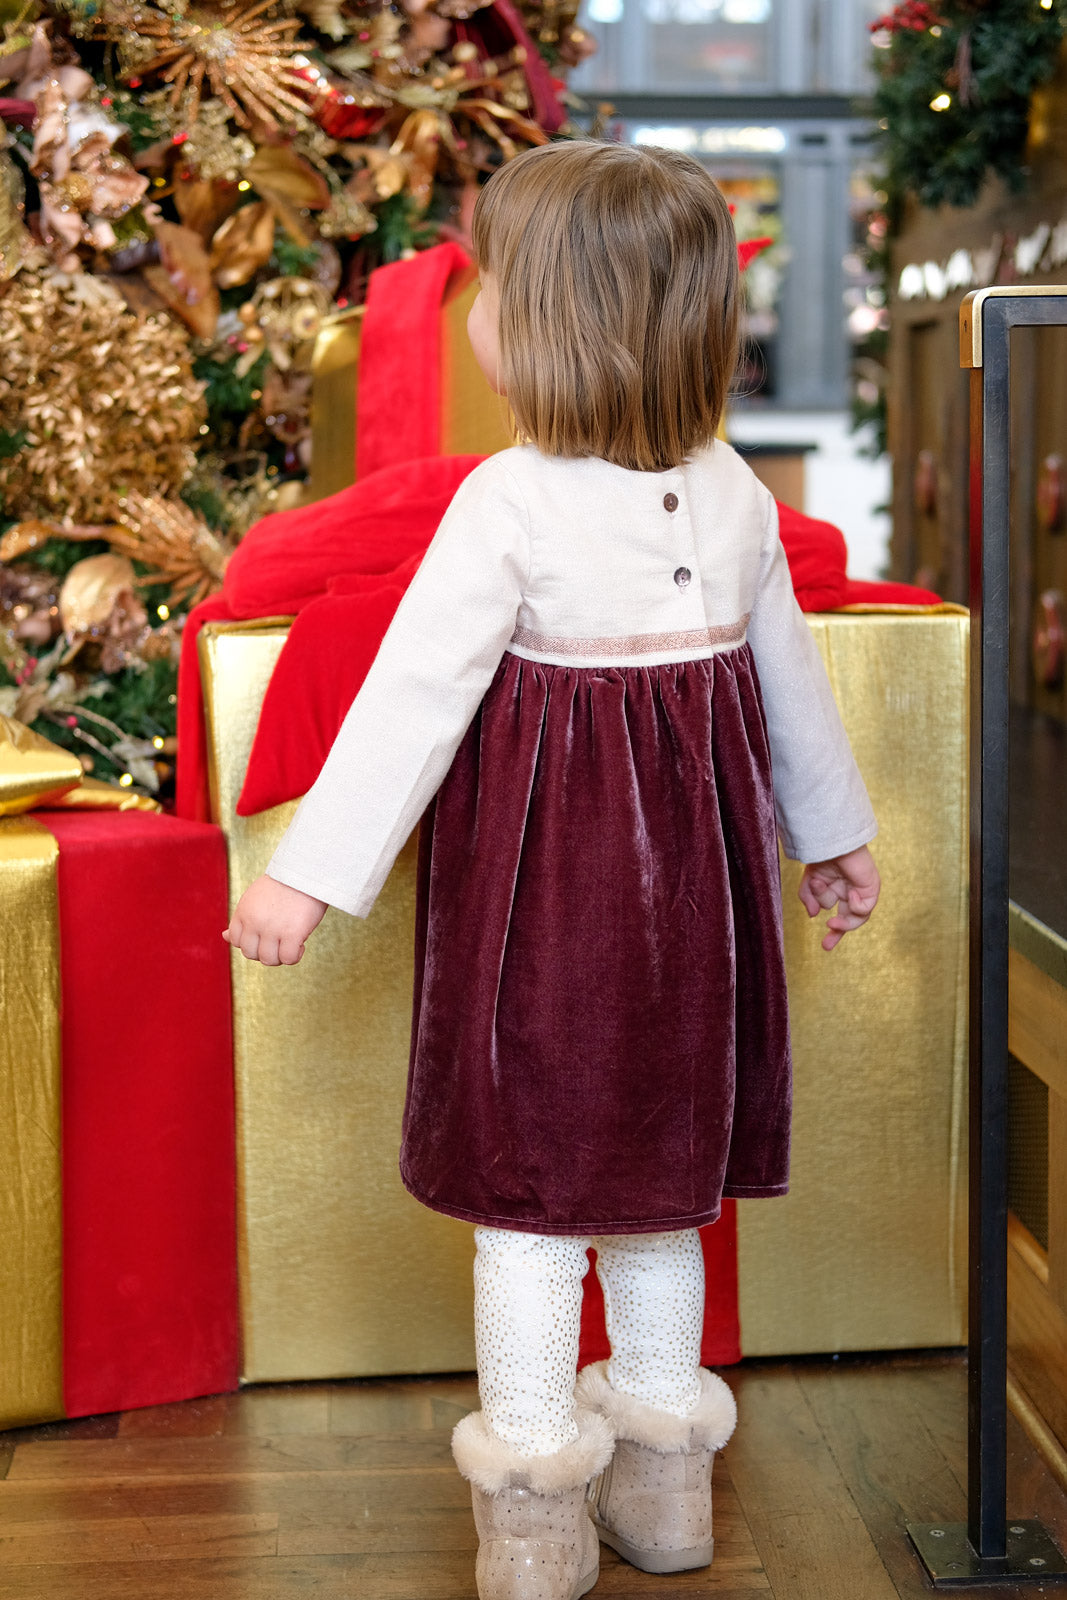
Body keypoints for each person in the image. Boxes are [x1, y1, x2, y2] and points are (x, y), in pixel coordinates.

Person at [225, 139, 881, 1600]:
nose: (472, 312)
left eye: (496, 284)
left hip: (546, 921)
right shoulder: (731, 491)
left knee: (532, 1202)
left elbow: (410, 700)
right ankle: (667, 1494)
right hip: (696, 932)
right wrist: (834, 842)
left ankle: (533, 1518)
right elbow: (795, 700)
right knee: (660, 1192)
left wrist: (304, 881)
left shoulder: (506, 504)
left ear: (559, 326)